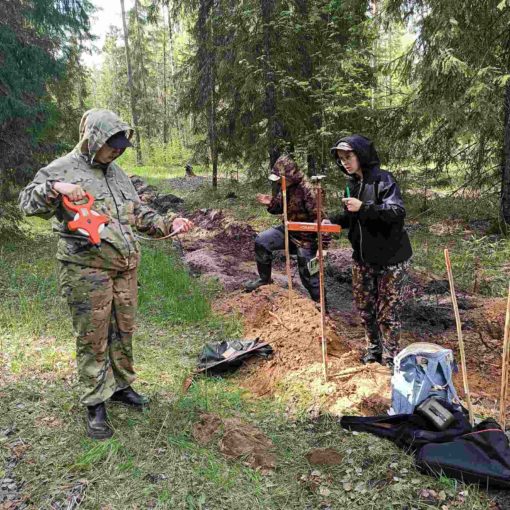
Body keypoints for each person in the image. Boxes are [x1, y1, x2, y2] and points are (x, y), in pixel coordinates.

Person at [19, 109, 193, 439]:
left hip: (124, 268)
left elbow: (138, 213)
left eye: (121, 149)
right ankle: (95, 402)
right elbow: (27, 203)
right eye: (112, 147)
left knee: (123, 329)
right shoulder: (62, 168)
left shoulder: (117, 173)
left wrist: (170, 223)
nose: (117, 153)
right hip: (87, 270)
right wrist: (56, 187)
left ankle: (121, 386)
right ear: (93, 140)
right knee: (93, 337)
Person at [328, 135, 412, 368]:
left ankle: (389, 357)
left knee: (388, 313)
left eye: (348, 156)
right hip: (363, 258)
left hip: (391, 260)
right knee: (365, 308)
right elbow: (351, 217)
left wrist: (364, 207)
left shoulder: (383, 179)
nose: (344, 162)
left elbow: (397, 212)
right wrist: (330, 220)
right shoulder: (354, 183)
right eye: (341, 159)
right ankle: (372, 350)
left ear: (361, 154)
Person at [244, 155, 326, 302]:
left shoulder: (309, 190)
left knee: (309, 273)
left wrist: (323, 245)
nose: (280, 182)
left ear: (290, 175)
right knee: (262, 240)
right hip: (288, 231)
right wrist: (270, 203)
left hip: (306, 237)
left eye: (281, 178)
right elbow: (279, 208)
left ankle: (321, 304)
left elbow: (322, 220)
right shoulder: (286, 187)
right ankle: (265, 279)